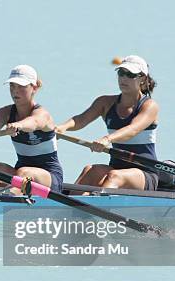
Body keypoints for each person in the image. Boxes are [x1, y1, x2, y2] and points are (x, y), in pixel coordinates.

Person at [56, 55, 159, 191]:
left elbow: (132, 129)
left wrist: (107, 139)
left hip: (144, 173)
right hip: (116, 167)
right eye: (121, 73)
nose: (123, 78)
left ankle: (95, 205)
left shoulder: (149, 106)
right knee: (90, 170)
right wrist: (62, 127)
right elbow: (81, 119)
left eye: (130, 75)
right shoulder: (105, 103)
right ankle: (66, 207)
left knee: (114, 176)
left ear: (143, 79)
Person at [0, 65, 63, 194]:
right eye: (12, 86)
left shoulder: (42, 114)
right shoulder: (5, 112)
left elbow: (34, 122)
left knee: (25, 172)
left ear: (34, 88)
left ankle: (5, 201)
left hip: (49, 178)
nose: (15, 91)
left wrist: (19, 125)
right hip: (20, 174)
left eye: (21, 86)